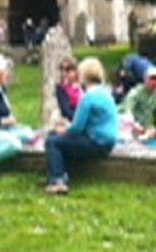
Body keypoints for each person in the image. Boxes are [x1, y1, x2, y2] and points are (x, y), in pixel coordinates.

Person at [45, 57, 119, 195]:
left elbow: (76, 128)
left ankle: (57, 180)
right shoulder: (105, 92)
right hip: (109, 140)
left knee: (52, 141)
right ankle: (61, 174)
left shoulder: (88, 97)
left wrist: (64, 129)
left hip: (97, 141)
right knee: (59, 138)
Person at [119, 67, 156, 139]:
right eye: (152, 79)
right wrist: (134, 123)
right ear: (145, 80)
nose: (154, 82)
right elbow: (128, 109)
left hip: (145, 124)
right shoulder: (137, 91)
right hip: (129, 121)